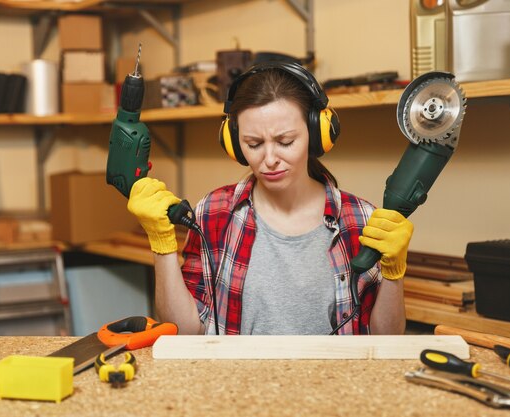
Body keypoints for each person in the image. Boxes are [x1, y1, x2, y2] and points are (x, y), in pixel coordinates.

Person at [127, 61, 413, 336]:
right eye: (253, 144)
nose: (270, 159)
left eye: (285, 142)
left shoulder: (361, 219)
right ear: (234, 143)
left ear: (317, 134)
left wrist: (394, 273)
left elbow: (386, 337)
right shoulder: (213, 213)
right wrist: (162, 245)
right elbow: (185, 332)